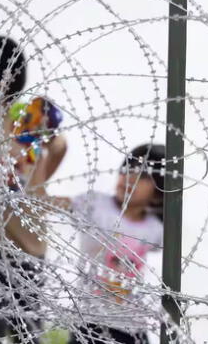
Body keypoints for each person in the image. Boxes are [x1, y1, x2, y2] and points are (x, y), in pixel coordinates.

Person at [0, 36, 67, 344]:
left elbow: (59, 146)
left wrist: (38, 184)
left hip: (27, 242)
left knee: (27, 331)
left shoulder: (29, 114)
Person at [49, 144, 165, 344]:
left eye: (143, 176)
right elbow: (50, 204)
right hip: (90, 321)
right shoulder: (95, 205)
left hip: (131, 326)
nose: (130, 178)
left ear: (158, 193)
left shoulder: (155, 229)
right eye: (127, 169)